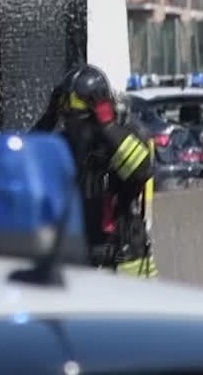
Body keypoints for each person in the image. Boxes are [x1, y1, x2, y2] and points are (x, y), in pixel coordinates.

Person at [34, 63, 157, 278]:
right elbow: (25, 158)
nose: (73, 130)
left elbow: (141, 170)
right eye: (67, 121)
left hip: (126, 269)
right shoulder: (66, 145)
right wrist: (47, 119)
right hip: (83, 267)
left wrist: (108, 126)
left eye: (77, 122)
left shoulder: (122, 140)